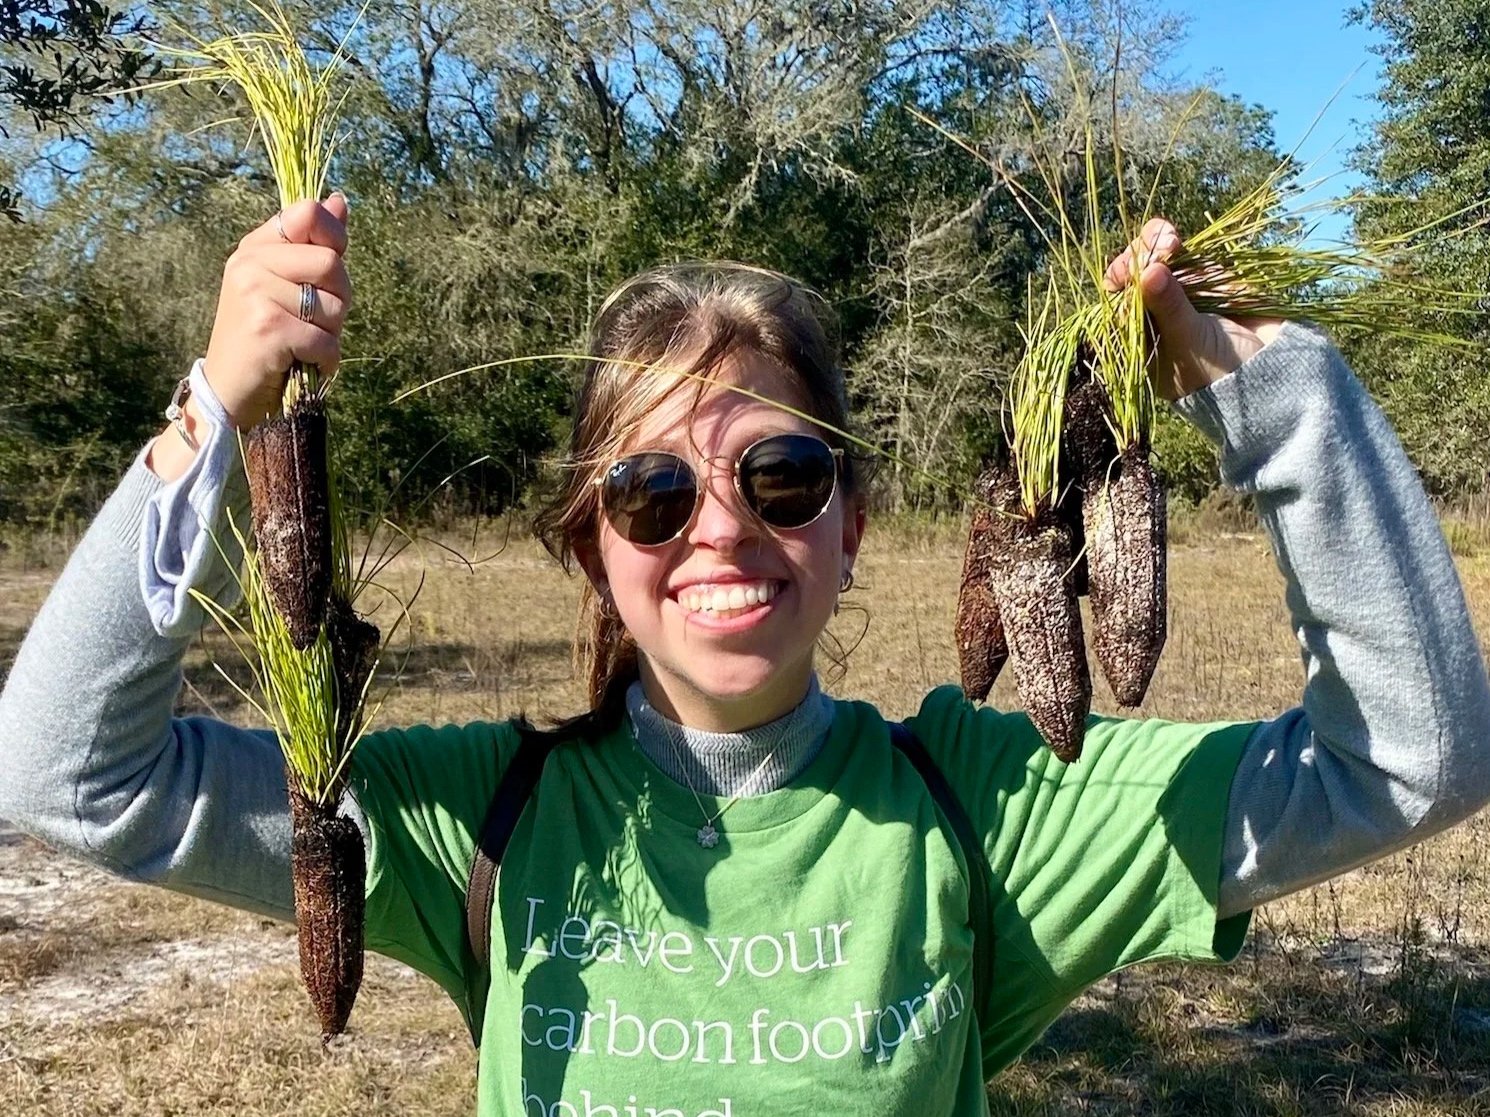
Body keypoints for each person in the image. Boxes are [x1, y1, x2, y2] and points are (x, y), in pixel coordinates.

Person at [2, 195, 1489, 1117]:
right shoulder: (478, 816)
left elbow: (1414, 759)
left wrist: (1274, 395)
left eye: (779, 475)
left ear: (850, 523)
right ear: (593, 541)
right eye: (653, 491)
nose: (719, 528)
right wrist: (218, 408)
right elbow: (66, 774)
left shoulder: (990, 808)